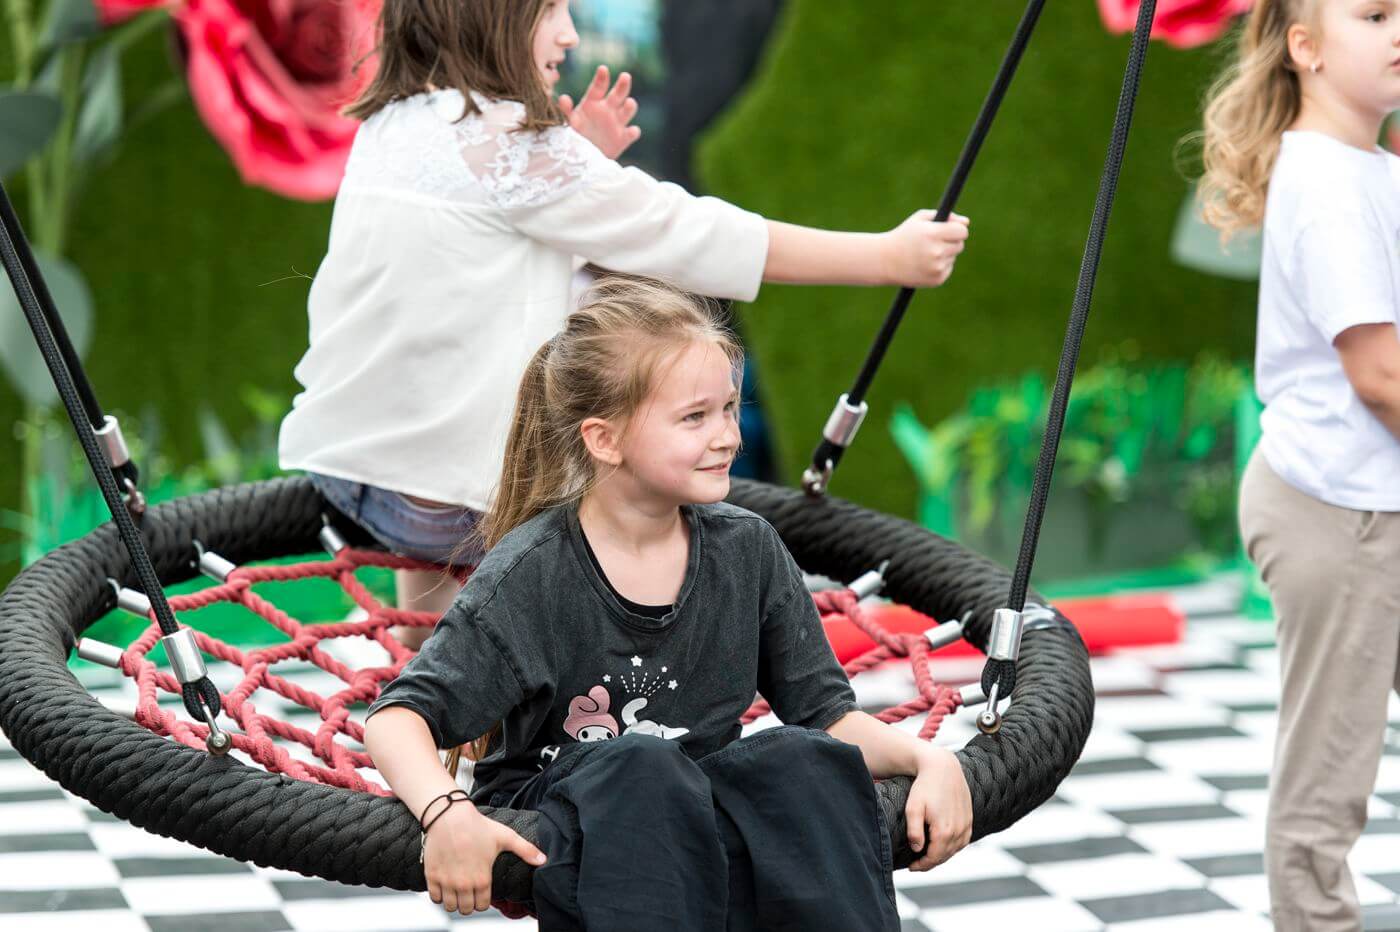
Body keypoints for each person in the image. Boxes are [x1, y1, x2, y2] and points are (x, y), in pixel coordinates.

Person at [277, 0, 971, 637]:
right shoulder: (515, 146)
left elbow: (488, 268)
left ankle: (417, 639)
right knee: (641, 461)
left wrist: (585, 169)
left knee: (473, 370)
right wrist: (886, 256)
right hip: (459, 504)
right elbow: (687, 233)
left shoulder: (393, 125)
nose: (569, 34)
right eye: (551, 10)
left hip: (357, 475)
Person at [362, 278, 974, 929]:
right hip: (567, 804)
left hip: (693, 797)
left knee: (802, 760)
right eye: (694, 417)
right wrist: (446, 813)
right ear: (604, 439)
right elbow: (396, 718)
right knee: (642, 767)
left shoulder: (747, 548)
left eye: (731, 408)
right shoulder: (534, 573)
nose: (728, 436)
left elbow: (828, 717)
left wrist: (928, 757)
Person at [1200, 1, 1400, 928]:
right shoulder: (1326, 184)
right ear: (1306, 49)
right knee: (1329, 780)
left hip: (1372, 502)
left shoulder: (1368, 165)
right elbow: (1380, 373)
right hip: (1341, 515)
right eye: (1373, 13)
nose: (1399, 29)